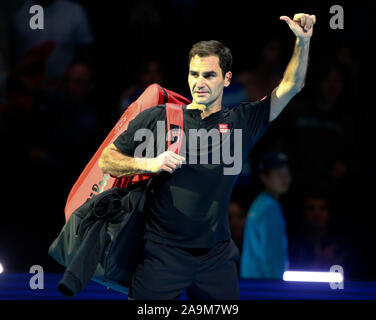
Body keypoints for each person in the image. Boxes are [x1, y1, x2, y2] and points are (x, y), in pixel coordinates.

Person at [98, 13, 316, 299]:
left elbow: (291, 87)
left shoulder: (243, 121)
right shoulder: (159, 119)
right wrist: (148, 163)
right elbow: (107, 159)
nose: (199, 82)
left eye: (209, 75)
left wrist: (303, 41)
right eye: (194, 74)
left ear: (227, 79)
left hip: (216, 259)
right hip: (161, 256)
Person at [240, 152, 291, 279]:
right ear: (264, 177)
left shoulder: (260, 204)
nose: (285, 178)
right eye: (279, 173)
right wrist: (278, 289)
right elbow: (271, 254)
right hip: (265, 285)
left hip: (253, 282)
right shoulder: (269, 207)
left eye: (287, 173)